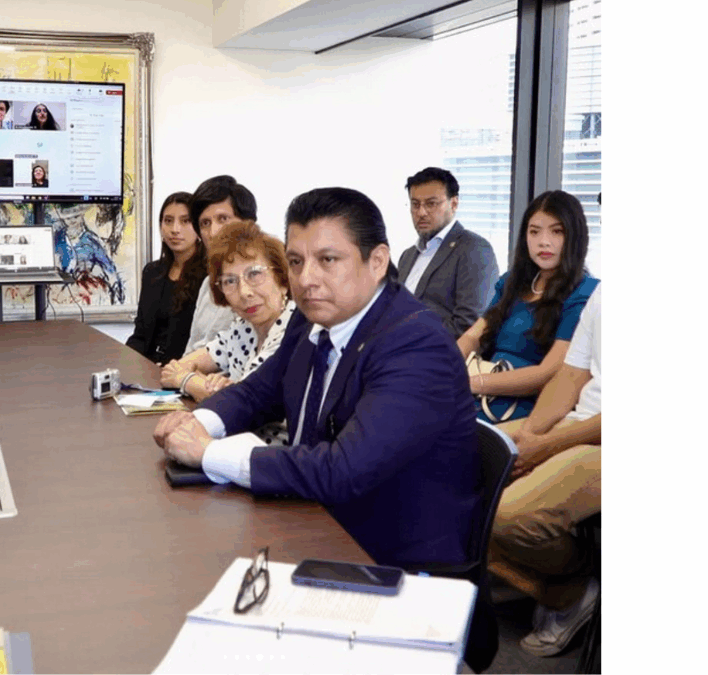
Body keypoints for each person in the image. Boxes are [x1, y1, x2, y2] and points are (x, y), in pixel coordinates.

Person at [154, 187, 480, 568]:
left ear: (377, 261)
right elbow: (259, 392)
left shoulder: (415, 345)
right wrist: (195, 423)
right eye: (295, 261)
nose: (306, 279)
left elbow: (344, 470)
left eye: (327, 260)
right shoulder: (311, 319)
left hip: (391, 563)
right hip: (315, 523)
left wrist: (208, 452)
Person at [488, 283, 601, 657]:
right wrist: (531, 435)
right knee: (455, 470)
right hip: (579, 420)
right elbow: (571, 375)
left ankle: (573, 590)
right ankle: (559, 589)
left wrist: (548, 446)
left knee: (507, 515)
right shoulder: (606, 293)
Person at [457, 190, 599, 422]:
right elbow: (473, 336)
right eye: (534, 231)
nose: (544, 241)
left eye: (557, 231)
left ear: (575, 237)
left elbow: (548, 373)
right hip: (479, 391)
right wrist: (446, 368)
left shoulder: (585, 292)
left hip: (526, 407)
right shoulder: (512, 281)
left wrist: (470, 383)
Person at [159, 220, 297, 444]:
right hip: (229, 443)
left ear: (282, 280)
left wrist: (189, 381)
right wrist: (209, 385)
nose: (244, 292)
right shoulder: (243, 328)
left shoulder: (293, 330)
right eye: (230, 281)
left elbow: (242, 405)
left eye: (254, 274)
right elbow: (176, 368)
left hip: (272, 454)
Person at [396, 167, 499, 338]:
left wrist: (409, 340)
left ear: (454, 204)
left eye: (431, 204)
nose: (421, 212)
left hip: (436, 350)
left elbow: (469, 325)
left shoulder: (474, 249)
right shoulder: (407, 256)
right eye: (415, 204)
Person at [183, 176, 258, 354]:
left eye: (223, 219)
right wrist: (176, 367)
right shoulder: (207, 283)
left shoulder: (262, 280)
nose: (213, 232)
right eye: (205, 223)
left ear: (248, 223)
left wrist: (185, 368)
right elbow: (192, 346)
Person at [126, 192, 204, 364]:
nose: (175, 229)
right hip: (146, 366)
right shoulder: (152, 272)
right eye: (168, 220)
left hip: (183, 368)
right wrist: (125, 364)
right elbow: (140, 335)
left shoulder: (209, 276)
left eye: (185, 221)